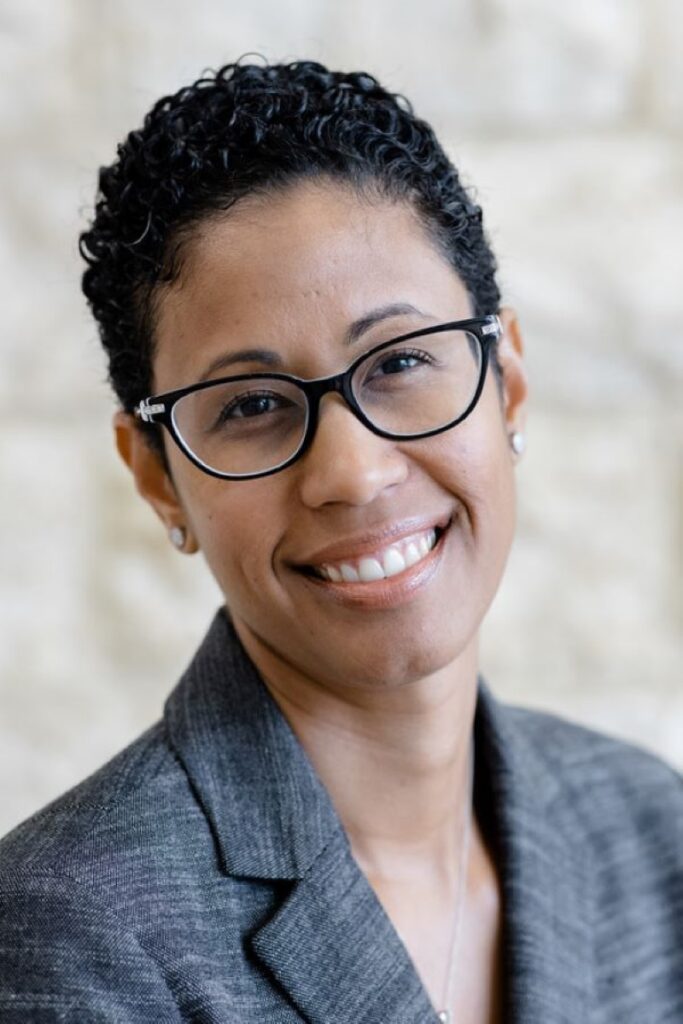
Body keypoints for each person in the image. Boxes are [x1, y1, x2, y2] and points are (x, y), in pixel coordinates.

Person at [0, 58, 680, 1024]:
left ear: (507, 384)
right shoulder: (76, 935)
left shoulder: (652, 834)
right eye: (252, 406)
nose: (352, 473)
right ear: (157, 478)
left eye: (400, 360)